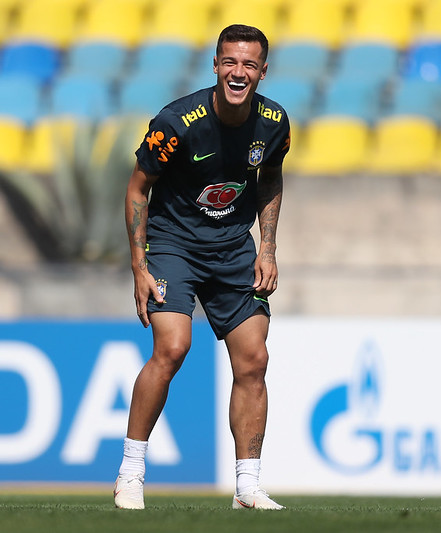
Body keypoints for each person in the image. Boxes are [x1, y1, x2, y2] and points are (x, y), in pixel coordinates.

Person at [114, 24, 290, 510]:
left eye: (249, 65)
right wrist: (138, 265)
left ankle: (247, 487)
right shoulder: (176, 122)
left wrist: (268, 247)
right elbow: (137, 189)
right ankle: (130, 473)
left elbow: (270, 178)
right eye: (229, 62)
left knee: (255, 360)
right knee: (172, 347)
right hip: (174, 245)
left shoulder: (274, 122)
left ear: (262, 71)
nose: (238, 73)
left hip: (234, 248)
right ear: (215, 66)